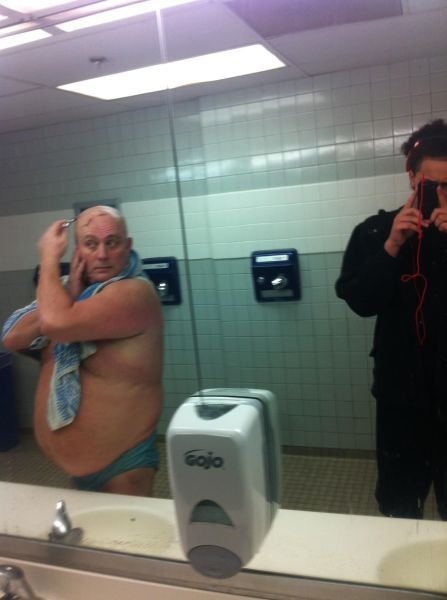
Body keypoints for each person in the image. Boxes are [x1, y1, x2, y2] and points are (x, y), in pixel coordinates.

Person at [1, 206, 163, 497]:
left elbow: (55, 324)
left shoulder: (135, 293)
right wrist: (71, 293)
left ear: (128, 245)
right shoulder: (70, 298)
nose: (102, 254)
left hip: (123, 467)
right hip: (79, 472)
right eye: (91, 243)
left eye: (111, 242)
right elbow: (13, 338)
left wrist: (48, 258)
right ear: (78, 251)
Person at [335, 119, 447, 519]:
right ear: (412, 176)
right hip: (401, 397)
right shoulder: (374, 232)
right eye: (432, 185)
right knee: (399, 504)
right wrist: (391, 247)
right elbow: (361, 302)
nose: (441, 195)